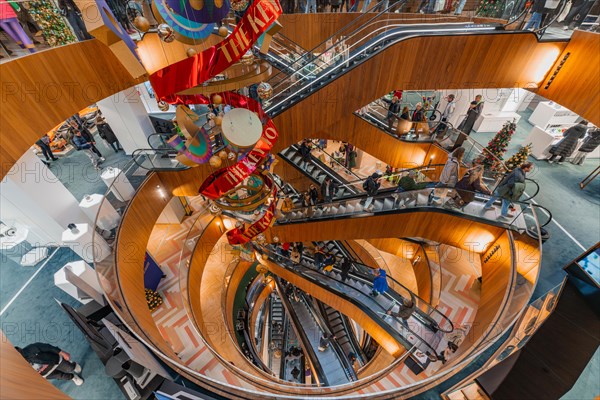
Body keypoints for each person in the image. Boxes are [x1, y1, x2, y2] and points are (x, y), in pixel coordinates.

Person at [16, 342, 84, 385]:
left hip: (55, 361)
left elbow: (48, 347)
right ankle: (73, 377)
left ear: (19, 349)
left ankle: (73, 365)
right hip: (46, 374)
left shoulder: (31, 348)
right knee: (63, 376)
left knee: (70, 368)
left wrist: (62, 353)